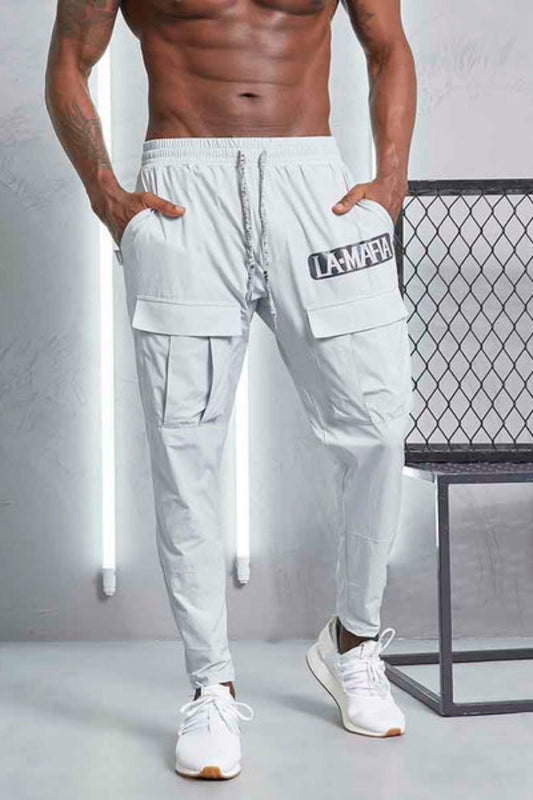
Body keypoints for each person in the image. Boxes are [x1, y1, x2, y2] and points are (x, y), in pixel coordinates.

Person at [45, 0, 416, 781]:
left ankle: (352, 640)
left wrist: (389, 181)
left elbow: (386, 46)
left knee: (377, 429)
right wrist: (106, 193)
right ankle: (210, 686)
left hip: (312, 184)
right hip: (184, 186)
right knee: (185, 450)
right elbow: (69, 59)